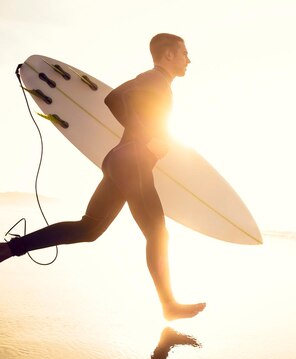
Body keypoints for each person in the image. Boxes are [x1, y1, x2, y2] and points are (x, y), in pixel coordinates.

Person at [0, 34, 206, 321]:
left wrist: (146, 134)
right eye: (184, 53)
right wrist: (150, 136)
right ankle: (168, 304)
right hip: (133, 161)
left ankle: (9, 249)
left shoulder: (156, 82)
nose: (189, 59)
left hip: (121, 161)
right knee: (157, 233)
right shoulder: (156, 79)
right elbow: (115, 98)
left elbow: (117, 100)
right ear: (168, 55)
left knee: (89, 229)